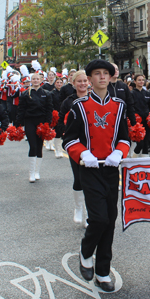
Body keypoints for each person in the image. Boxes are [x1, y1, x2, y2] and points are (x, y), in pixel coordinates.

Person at [63, 59, 130, 292]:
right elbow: (69, 139)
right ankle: (85, 250)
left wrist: (119, 153)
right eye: (97, 74)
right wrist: (83, 154)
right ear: (89, 79)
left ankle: (103, 271)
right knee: (99, 219)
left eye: (106, 74)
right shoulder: (78, 106)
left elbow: (125, 138)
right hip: (90, 170)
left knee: (110, 220)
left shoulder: (120, 105)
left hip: (111, 169)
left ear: (111, 78)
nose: (102, 77)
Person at [56, 70, 89, 226]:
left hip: (92, 143)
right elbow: (60, 121)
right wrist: (66, 132)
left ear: (89, 82)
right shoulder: (68, 102)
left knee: (91, 179)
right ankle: (78, 208)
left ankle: (90, 213)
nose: (82, 84)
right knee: (79, 177)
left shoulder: (95, 98)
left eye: (85, 81)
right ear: (74, 83)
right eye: (79, 81)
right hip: (75, 143)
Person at [15, 72, 53, 183]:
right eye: (33, 79)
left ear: (41, 80)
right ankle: (31, 173)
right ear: (31, 81)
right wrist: (18, 124)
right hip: (30, 121)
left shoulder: (46, 94)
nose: (35, 80)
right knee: (33, 145)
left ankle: (37, 171)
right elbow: (21, 110)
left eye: (37, 79)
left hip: (41, 122)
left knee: (40, 146)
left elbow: (49, 109)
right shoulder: (25, 94)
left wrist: (48, 124)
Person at [131, 74, 150, 157]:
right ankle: (133, 161)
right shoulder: (131, 94)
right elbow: (129, 107)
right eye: (139, 80)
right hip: (137, 123)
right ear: (134, 81)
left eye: (142, 80)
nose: (141, 81)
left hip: (147, 122)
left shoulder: (148, 94)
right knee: (140, 144)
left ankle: (145, 166)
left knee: (146, 144)